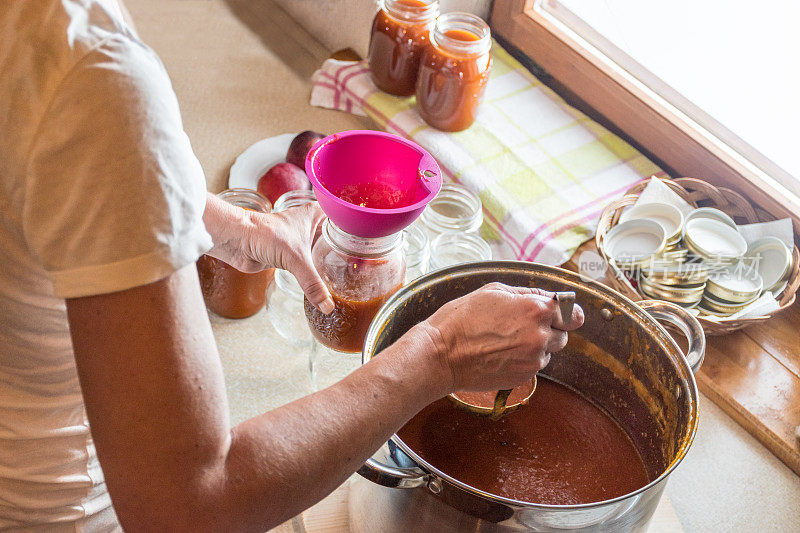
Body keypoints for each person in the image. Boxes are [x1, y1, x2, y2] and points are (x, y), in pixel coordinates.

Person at [0, 1, 584, 531]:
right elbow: (191, 508)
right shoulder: (95, 73)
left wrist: (206, 217)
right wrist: (441, 351)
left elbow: (42, 151)